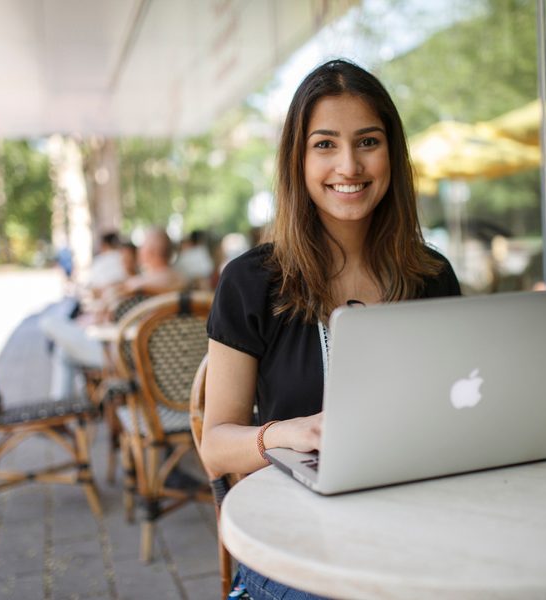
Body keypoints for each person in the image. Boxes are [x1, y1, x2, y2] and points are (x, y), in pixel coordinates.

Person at [201, 59, 461, 599]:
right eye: (325, 144)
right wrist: (289, 434)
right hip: (300, 543)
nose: (349, 164)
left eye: (368, 141)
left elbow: (460, 408)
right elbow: (216, 448)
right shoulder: (252, 281)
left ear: (392, 154)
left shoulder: (432, 275)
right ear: (297, 159)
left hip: (419, 520)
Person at [40, 226, 183, 400]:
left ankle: (66, 410)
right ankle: (64, 406)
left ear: (151, 251)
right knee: (63, 352)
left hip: (127, 359)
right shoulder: (182, 280)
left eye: (142, 246)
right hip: (165, 360)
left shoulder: (137, 287)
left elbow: (107, 311)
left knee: (48, 323)